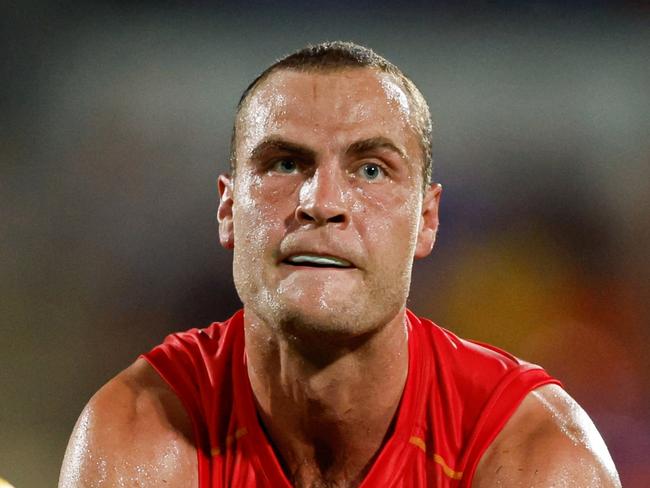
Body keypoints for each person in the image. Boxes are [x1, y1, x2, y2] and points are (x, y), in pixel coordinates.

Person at [59, 42, 621, 487]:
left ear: (427, 220)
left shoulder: (532, 453)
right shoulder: (141, 431)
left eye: (371, 170)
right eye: (284, 163)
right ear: (229, 210)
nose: (321, 201)